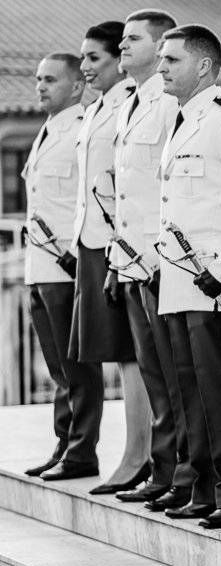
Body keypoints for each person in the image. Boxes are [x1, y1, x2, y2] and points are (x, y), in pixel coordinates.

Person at [156, 24, 221, 529]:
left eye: (172, 59)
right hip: (180, 281)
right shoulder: (182, 121)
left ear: (203, 66)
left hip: (214, 283)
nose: (161, 68)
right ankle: (204, 486)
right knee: (191, 392)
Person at [107, 9, 193, 512]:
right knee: (154, 375)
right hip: (133, 261)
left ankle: (183, 473)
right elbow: (127, 193)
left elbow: (171, 189)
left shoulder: (169, 104)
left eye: (133, 39)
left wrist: (157, 256)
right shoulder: (131, 103)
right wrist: (119, 261)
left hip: (161, 261)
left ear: (161, 46)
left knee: (176, 376)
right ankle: (163, 469)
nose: (122, 46)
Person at [59, 21, 145, 492]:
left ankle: (140, 455)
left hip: (120, 246)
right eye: (84, 58)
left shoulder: (130, 103)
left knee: (132, 354)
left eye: (94, 57)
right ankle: (137, 453)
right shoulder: (99, 108)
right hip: (93, 242)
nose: (86, 67)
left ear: (119, 59)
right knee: (117, 353)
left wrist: (116, 254)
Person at [22, 53, 96, 480]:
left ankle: (82, 450)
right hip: (39, 266)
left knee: (76, 368)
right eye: (38, 79)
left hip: (67, 267)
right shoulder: (48, 130)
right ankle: (64, 443)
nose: (40, 86)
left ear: (76, 86)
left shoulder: (82, 130)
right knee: (58, 369)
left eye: (50, 79)